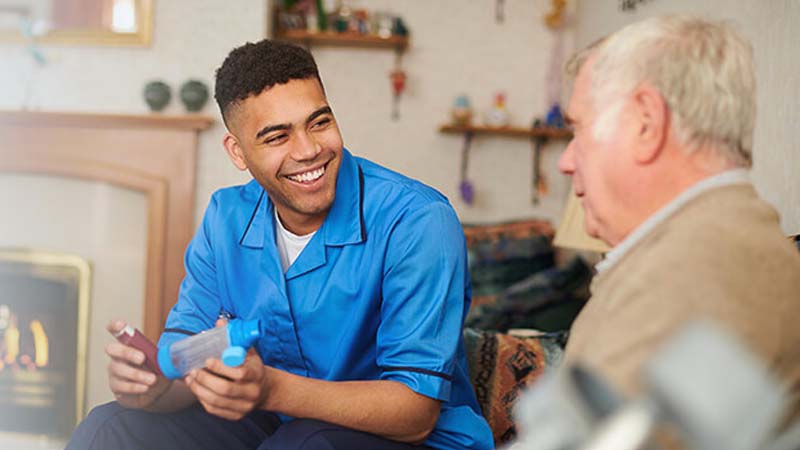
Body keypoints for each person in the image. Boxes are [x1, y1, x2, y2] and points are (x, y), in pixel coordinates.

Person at [66, 40, 493, 450]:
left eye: (319, 122)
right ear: (237, 152)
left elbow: (415, 415)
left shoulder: (418, 220)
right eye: (277, 137)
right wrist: (153, 386)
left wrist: (269, 388)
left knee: (303, 443)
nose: (309, 150)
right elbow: (187, 370)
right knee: (113, 427)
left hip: (411, 439)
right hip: (275, 424)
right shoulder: (225, 218)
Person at [558, 14, 800, 424]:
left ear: (646, 124)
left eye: (579, 129)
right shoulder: (708, 243)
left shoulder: (699, 270)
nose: (566, 161)